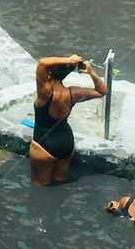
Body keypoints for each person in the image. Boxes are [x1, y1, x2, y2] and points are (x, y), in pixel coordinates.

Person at [29, 55, 107, 186]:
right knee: (61, 184)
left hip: (43, 145)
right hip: (66, 144)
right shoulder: (73, 93)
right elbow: (102, 91)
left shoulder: (45, 93)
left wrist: (70, 60)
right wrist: (90, 72)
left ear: (49, 73)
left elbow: (42, 62)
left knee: (39, 188)